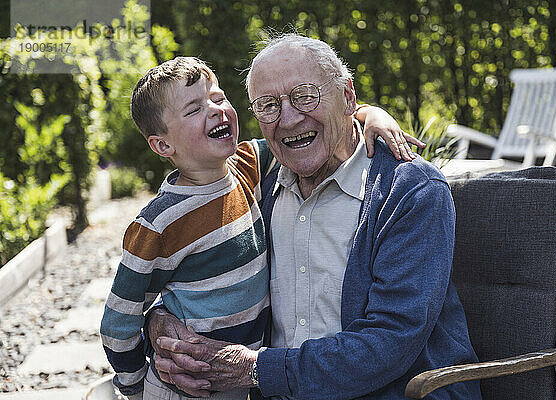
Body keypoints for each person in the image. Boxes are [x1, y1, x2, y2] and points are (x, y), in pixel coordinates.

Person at [147, 34, 482, 400]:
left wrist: (255, 369)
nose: (288, 119)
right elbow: (202, 267)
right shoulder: (258, 181)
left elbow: (391, 339)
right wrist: (160, 319)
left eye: (305, 96)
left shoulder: (409, 191)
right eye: (268, 105)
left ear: (348, 97)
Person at [100, 56, 422, 400]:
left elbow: (312, 127)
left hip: (243, 380)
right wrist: (133, 382)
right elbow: (122, 314)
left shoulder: (247, 167)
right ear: (163, 145)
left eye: (218, 97)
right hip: (186, 384)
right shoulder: (159, 223)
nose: (214, 110)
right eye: (193, 109)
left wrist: (369, 113)